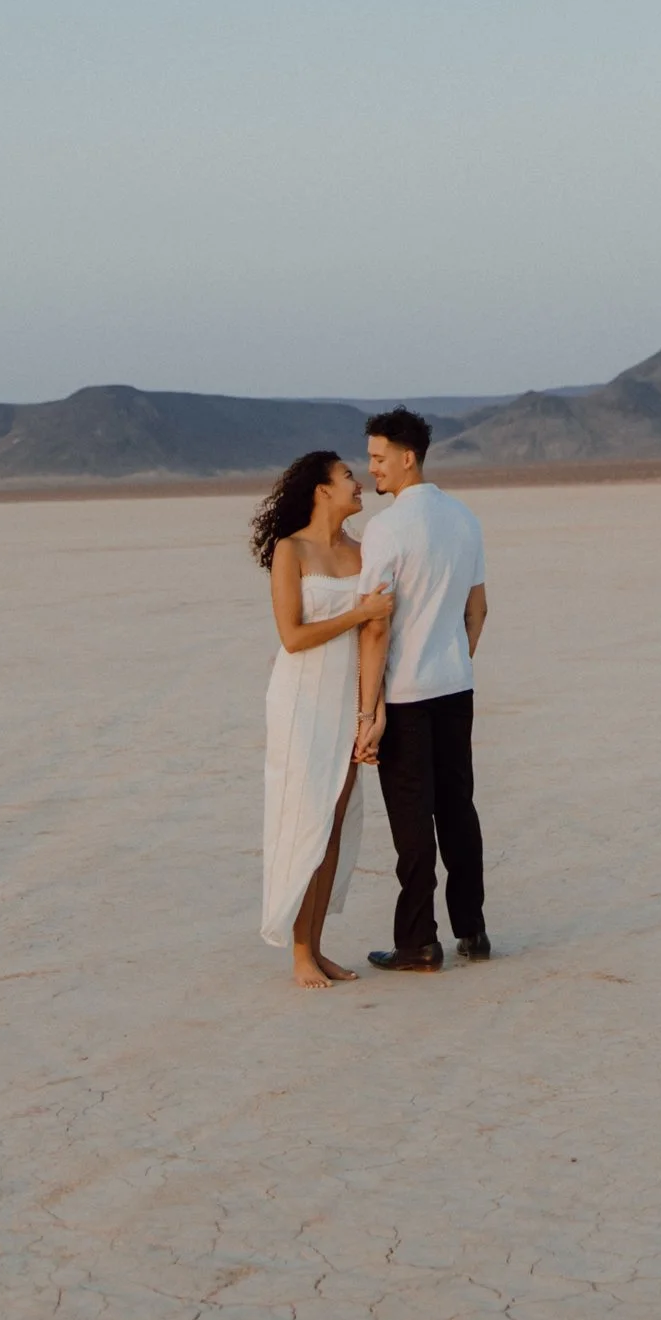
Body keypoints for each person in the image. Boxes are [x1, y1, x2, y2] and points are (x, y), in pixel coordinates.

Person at [351, 410, 490, 972]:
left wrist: (369, 711)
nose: (372, 468)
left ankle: (419, 943)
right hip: (456, 688)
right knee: (458, 810)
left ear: (408, 457)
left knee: (413, 822)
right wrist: (453, 659)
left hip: (405, 697)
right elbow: (477, 609)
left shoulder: (386, 529)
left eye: (379, 457)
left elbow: (375, 623)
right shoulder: (464, 517)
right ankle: (473, 932)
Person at [253, 449, 395, 988]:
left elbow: (374, 644)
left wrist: (371, 712)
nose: (358, 484)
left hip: (346, 702)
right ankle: (298, 953)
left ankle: (316, 946)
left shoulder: (362, 555)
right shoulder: (291, 551)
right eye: (347, 477)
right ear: (321, 489)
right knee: (305, 820)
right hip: (299, 702)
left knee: (334, 824)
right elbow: (292, 637)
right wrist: (357, 612)